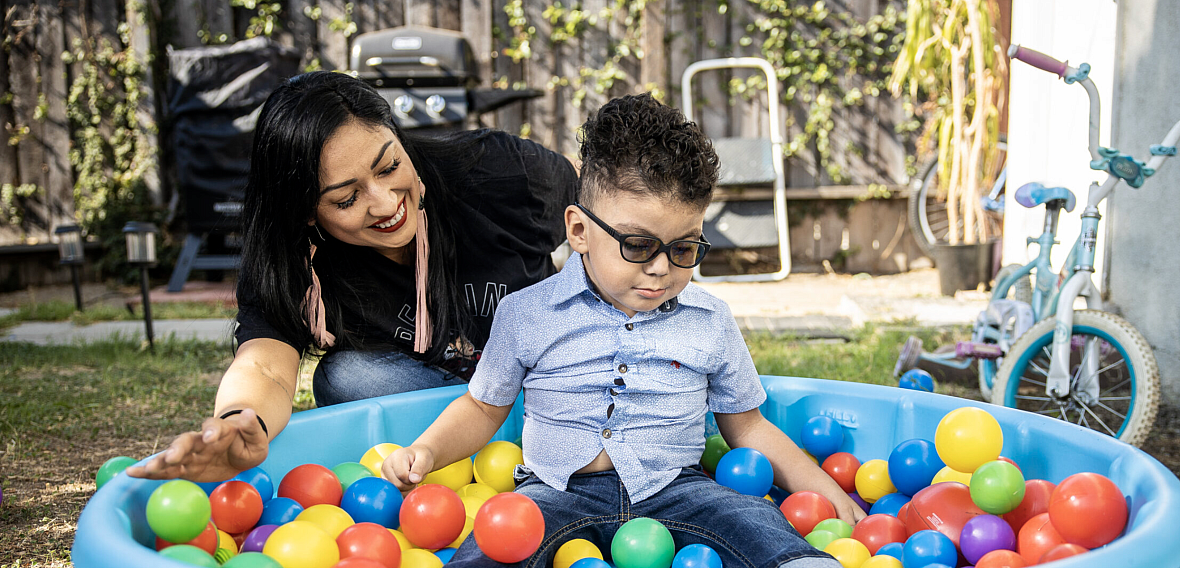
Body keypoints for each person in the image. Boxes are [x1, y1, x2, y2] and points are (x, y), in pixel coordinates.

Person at [384, 93, 864, 568]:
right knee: (498, 541)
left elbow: (749, 426)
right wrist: (425, 451)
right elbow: (482, 407)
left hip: (678, 489)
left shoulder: (710, 320)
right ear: (579, 231)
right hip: (554, 490)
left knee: (753, 520)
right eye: (638, 245)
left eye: (684, 248)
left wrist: (824, 489)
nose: (660, 268)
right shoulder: (527, 314)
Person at [128, 71, 576, 482]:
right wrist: (239, 424)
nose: (384, 204)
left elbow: (610, 221)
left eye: (389, 167)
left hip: (549, 389)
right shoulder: (291, 259)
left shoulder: (499, 171)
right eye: (346, 198)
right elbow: (264, 366)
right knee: (346, 377)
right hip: (445, 405)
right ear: (305, 211)